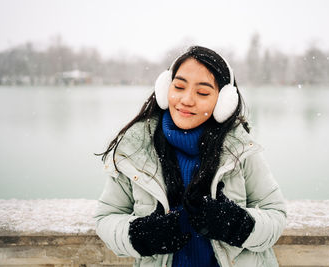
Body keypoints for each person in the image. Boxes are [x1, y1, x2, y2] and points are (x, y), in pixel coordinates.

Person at [94, 45, 287, 267]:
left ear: (223, 102)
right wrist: (140, 235)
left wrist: (238, 224)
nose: (186, 99)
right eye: (179, 86)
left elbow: (275, 214)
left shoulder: (240, 149)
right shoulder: (135, 149)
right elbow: (106, 217)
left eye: (203, 92)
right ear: (165, 87)